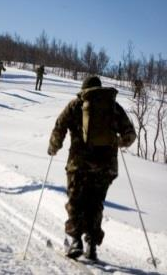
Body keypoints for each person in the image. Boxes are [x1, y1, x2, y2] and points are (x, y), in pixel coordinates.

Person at [47, 76, 136, 261]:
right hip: (106, 167)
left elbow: (59, 128)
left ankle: (76, 241)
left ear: (84, 90)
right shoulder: (113, 107)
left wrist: (53, 148)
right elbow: (130, 135)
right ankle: (92, 245)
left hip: (79, 165)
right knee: (95, 203)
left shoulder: (75, 105)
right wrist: (116, 142)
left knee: (76, 202)